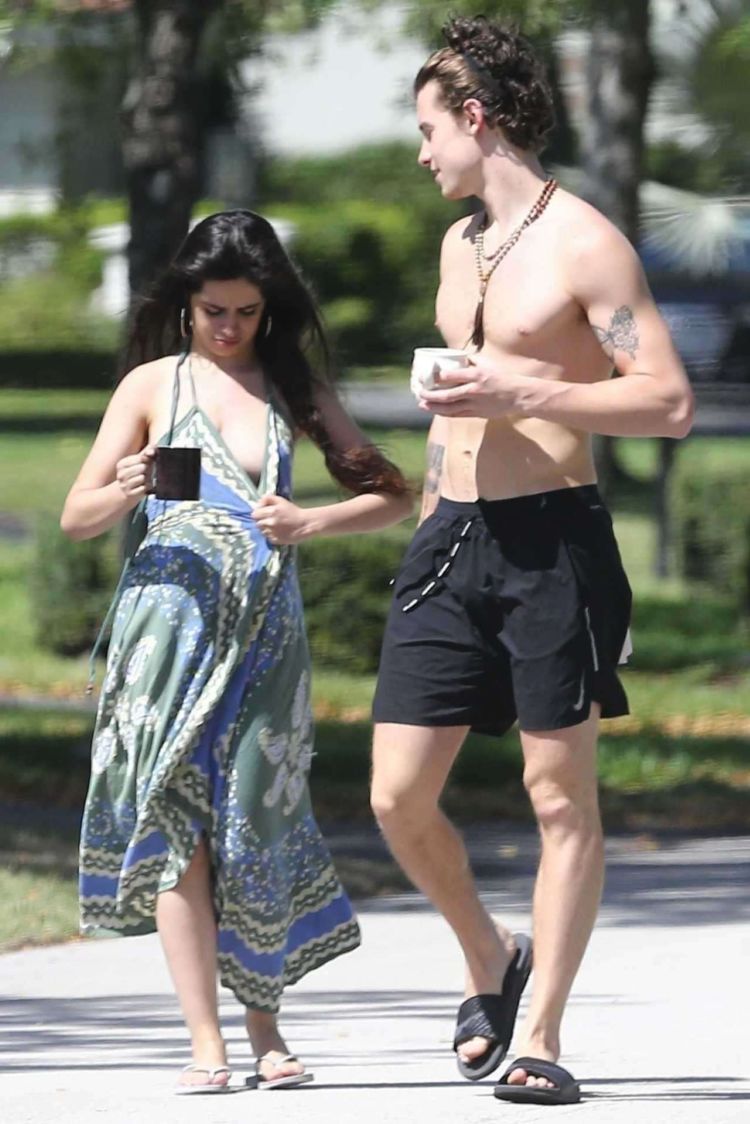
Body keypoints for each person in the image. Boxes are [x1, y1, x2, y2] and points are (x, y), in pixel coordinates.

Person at [370, 16, 693, 1108]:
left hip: (554, 541)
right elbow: (457, 400)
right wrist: (428, 513)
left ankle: (542, 1033)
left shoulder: (586, 243)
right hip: (450, 537)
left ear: (475, 118)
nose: (421, 151)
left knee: (558, 796)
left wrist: (529, 391)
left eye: (429, 129)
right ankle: (489, 954)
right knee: (396, 796)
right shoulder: (459, 246)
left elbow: (667, 399)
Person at [61, 210, 412, 1094]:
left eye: (247, 312)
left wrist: (310, 521)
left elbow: (392, 495)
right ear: (186, 302)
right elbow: (76, 516)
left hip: (265, 641)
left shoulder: (292, 387)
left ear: (270, 308)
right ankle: (205, 1041)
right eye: (213, 310)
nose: (228, 327)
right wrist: (125, 487)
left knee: (254, 822)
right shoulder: (151, 385)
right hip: (164, 637)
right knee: (177, 828)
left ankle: (266, 1027)